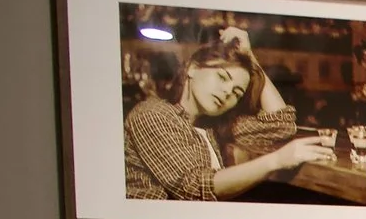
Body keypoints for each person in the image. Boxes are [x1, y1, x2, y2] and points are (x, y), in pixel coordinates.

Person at [122, 27, 335, 201]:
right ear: (193, 68)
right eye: (223, 78)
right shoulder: (152, 113)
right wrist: (277, 160)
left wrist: (250, 57)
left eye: (236, 92)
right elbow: (193, 189)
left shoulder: (211, 126)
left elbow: (281, 124)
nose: (226, 93)